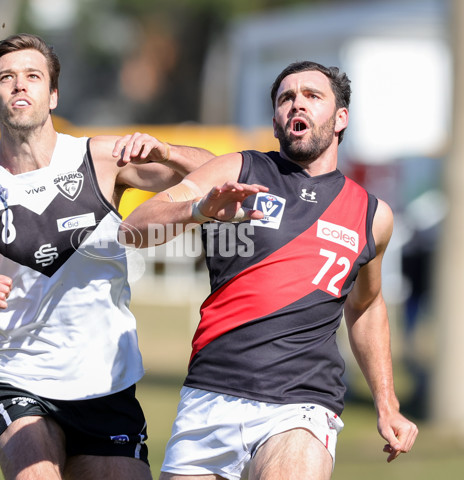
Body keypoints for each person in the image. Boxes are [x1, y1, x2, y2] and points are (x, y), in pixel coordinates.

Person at [0, 33, 213, 480]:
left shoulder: (101, 158)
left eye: (32, 76)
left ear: (53, 94)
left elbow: (222, 173)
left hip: (107, 385)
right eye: (7, 78)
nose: (20, 86)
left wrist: (170, 152)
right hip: (21, 383)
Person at [121, 61, 418, 480]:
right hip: (209, 396)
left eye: (312, 96)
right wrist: (198, 210)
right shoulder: (238, 170)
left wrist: (387, 404)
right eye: (286, 98)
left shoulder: (372, 215)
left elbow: (366, 307)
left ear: (340, 118)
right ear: (276, 120)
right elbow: (132, 229)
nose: (297, 104)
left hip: (301, 404)